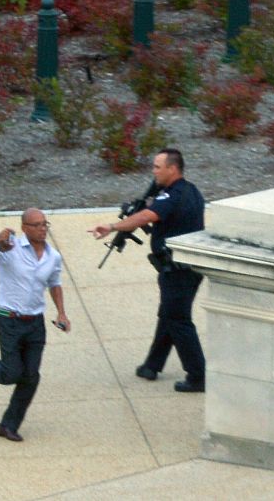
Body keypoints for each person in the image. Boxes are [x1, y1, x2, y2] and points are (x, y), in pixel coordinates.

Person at [89, 148, 206, 392]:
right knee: (169, 315)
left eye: (157, 167)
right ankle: (152, 365)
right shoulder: (191, 191)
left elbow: (146, 216)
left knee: (178, 319)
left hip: (177, 269)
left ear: (172, 169)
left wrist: (112, 226)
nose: (154, 172)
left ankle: (198, 375)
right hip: (188, 267)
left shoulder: (171, 196)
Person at [0, 208, 71, 442]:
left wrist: (62, 313)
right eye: (37, 225)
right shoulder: (9, 248)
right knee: (11, 374)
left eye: (45, 224)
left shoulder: (52, 256)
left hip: (35, 322)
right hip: (10, 320)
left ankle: (8, 425)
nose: (43, 228)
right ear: (25, 228)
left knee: (31, 377)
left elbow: (54, 283)